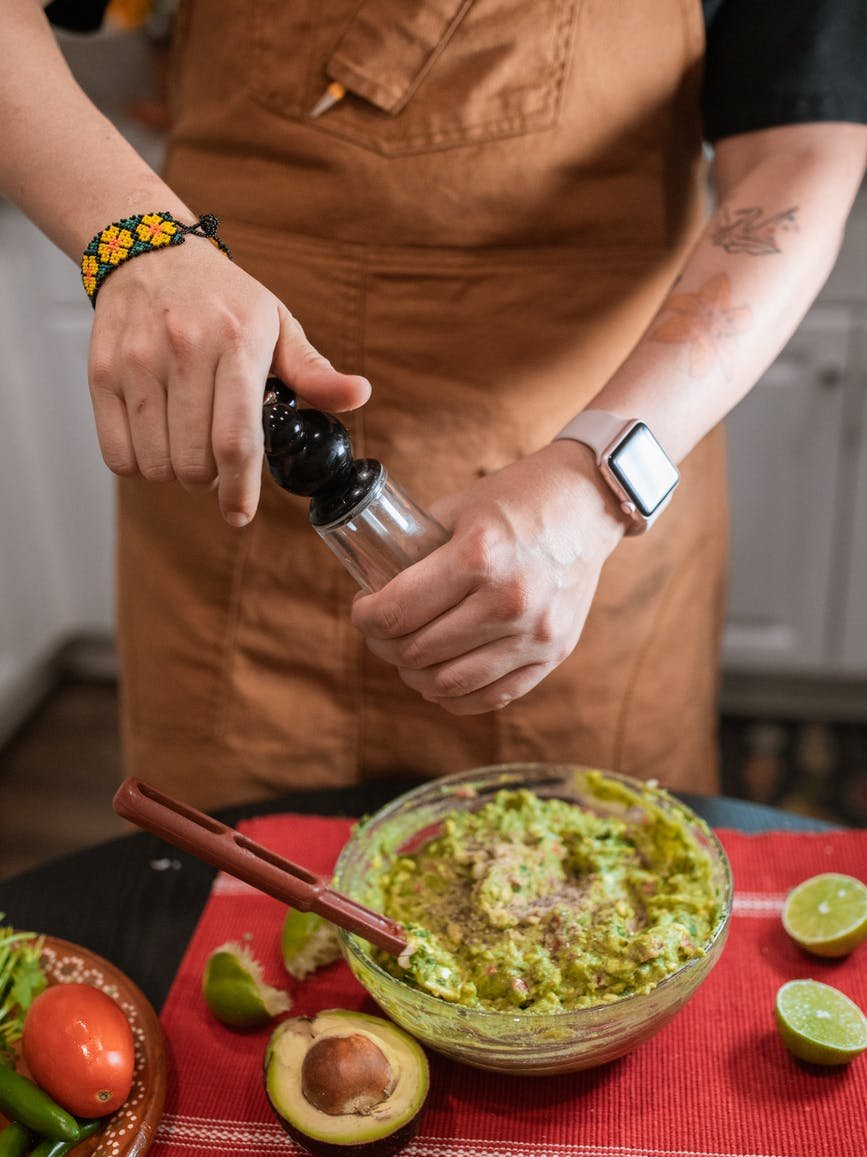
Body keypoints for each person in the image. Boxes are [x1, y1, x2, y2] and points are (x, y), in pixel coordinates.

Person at [3, 0, 865, 808]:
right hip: (235, 463)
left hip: (574, 509)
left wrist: (602, 476)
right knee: (229, 920)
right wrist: (139, 244)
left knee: (591, 907)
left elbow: (800, 147)